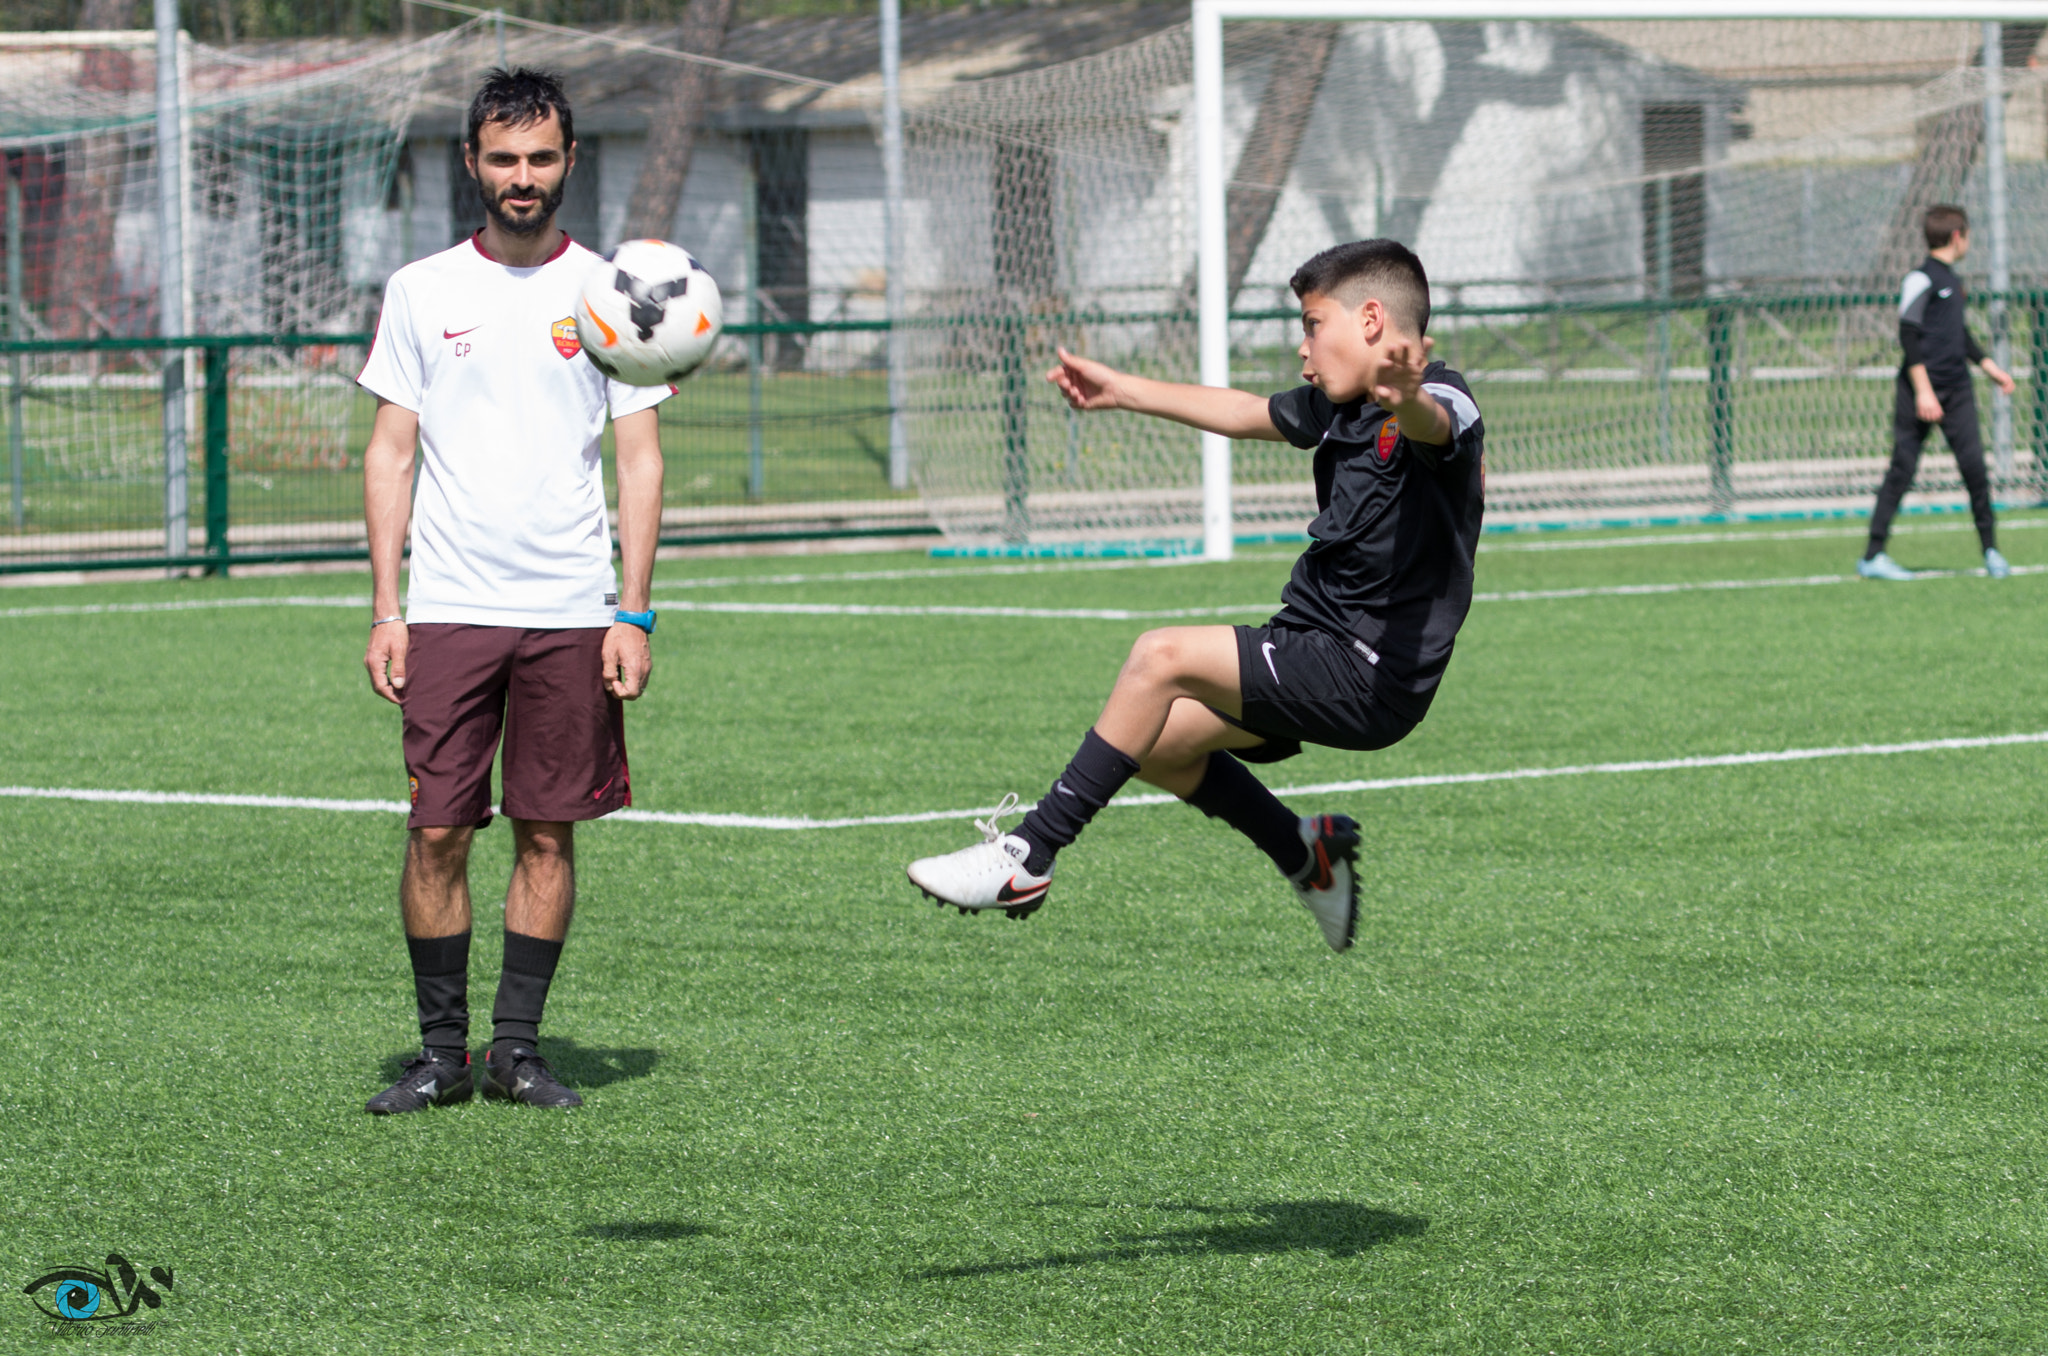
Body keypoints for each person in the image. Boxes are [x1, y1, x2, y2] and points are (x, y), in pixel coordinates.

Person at [906, 240, 1483, 952]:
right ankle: (1307, 857)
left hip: (1364, 670)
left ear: (1370, 320)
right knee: (1152, 741)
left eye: (1312, 324)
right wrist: (1122, 391)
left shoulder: (1440, 399)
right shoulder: (1346, 406)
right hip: (1313, 646)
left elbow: (1440, 425)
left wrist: (1411, 400)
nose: (1303, 349)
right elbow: (1243, 410)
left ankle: (1027, 856)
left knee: (1160, 657)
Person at [356, 67, 670, 1113]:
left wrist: (632, 610)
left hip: (574, 613)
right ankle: (441, 1055)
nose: (521, 176)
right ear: (471, 163)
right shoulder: (420, 290)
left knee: (547, 829)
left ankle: (517, 1051)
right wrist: (386, 609)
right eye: (503, 158)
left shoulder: (614, 296)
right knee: (437, 831)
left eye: (540, 157)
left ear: (569, 161)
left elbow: (638, 461)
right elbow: (390, 453)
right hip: (446, 608)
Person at [1859, 203, 2016, 581]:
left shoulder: (1952, 280)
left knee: (1975, 470)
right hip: (1921, 392)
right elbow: (1908, 336)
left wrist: (1988, 366)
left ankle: (1991, 551)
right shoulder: (1920, 278)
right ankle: (1873, 556)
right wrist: (1924, 391)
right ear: (1957, 236)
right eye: (1968, 235)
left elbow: (1956, 334)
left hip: (1958, 389)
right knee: (1903, 469)